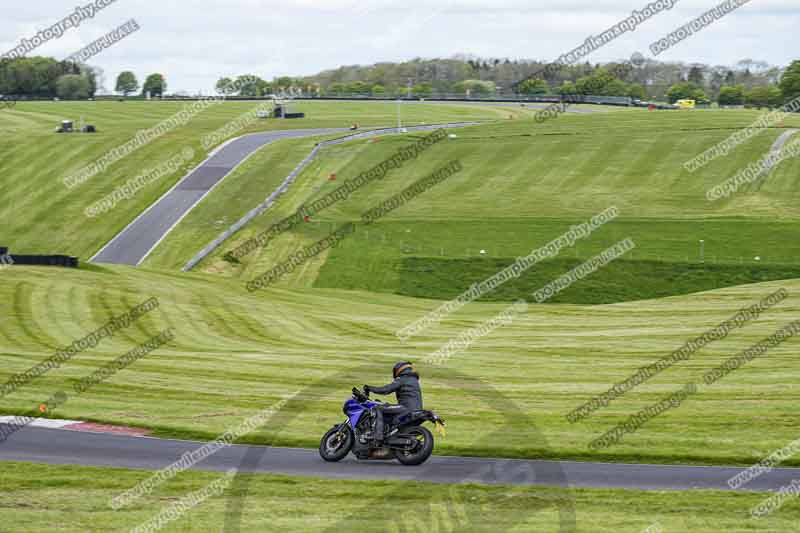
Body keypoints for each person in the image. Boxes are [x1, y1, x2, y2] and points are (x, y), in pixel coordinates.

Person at [364, 362, 423, 444]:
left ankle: (377, 436)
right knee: (388, 409)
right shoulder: (414, 380)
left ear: (399, 370)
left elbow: (386, 389)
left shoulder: (402, 379)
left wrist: (370, 388)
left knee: (378, 408)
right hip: (416, 410)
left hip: (406, 408)